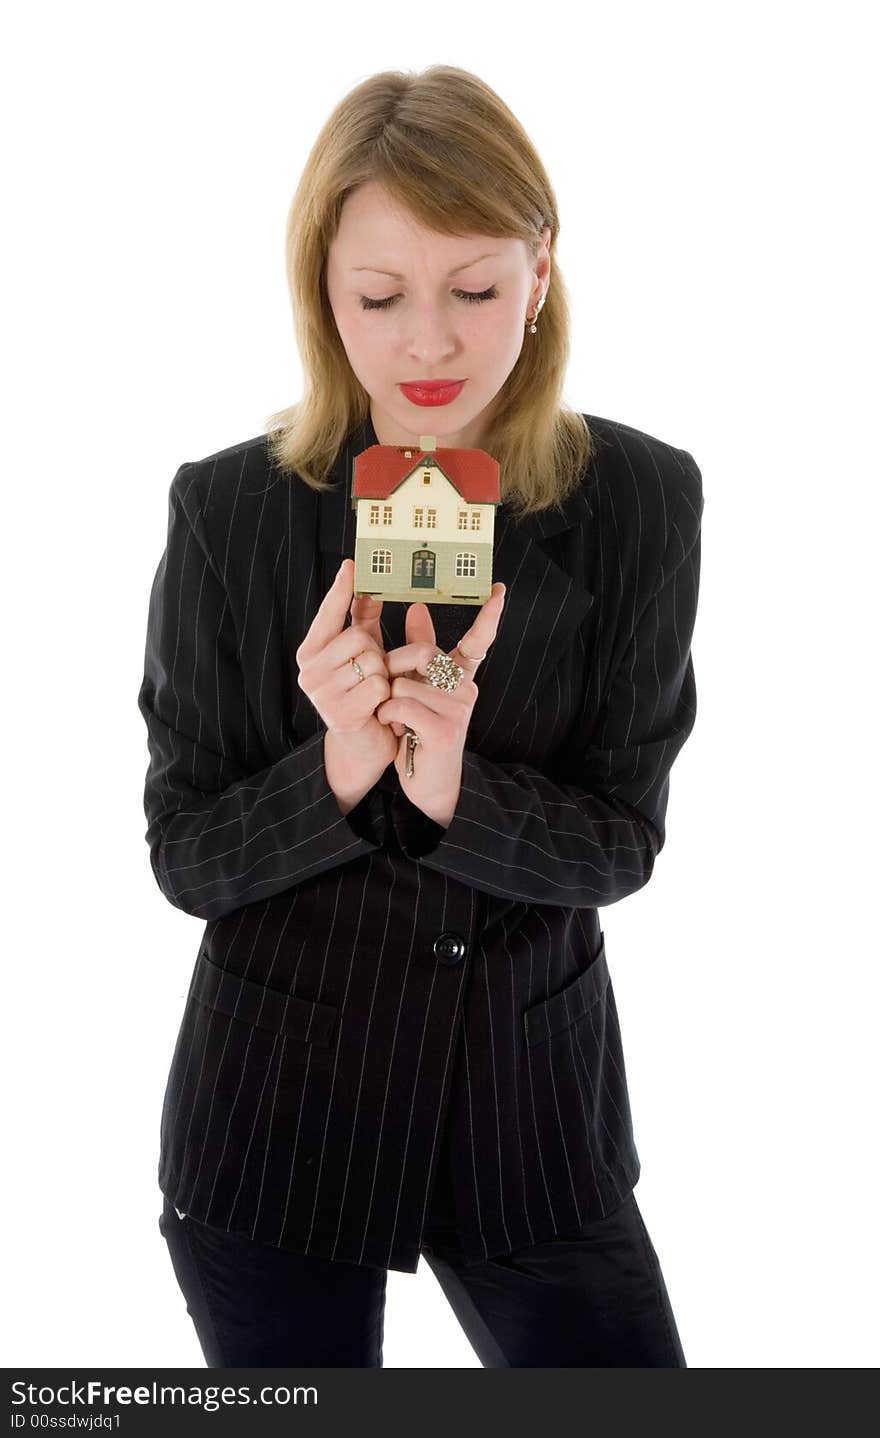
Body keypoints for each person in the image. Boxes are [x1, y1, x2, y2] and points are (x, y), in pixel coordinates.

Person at [139, 63, 703, 1368]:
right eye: (380, 296)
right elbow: (188, 853)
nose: (431, 345)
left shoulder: (642, 502)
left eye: (477, 289)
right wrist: (337, 767)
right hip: (278, 1129)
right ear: (323, 291)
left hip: (532, 1126)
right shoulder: (225, 510)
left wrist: (453, 780)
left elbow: (622, 840)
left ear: (542, 270)